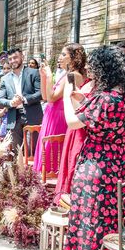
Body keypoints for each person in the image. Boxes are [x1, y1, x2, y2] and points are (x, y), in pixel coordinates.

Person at [62, 46, 125, 250]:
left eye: (93, 66)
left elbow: (73, 122)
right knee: (112, 220)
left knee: (88, 217)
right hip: (120, 162)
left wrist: (68, 97)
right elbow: (108, 119)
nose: (88, 70)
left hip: (96, 164)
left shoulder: (105, 98)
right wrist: (85, 101)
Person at [33, 44, 86, 174]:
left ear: (74, 58)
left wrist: (50, 76)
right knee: (46, 149)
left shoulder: (74, 75)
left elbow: (52, 98)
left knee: (52, 151)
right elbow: (45, 97)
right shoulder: (66, 74)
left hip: (59, 118)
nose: (59, 58)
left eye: (64, 54)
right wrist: (43, 77)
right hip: (50, 116)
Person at [0, 47, 42, 150]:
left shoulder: (33, 73)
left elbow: (41, 93)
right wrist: (11, 103)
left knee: (31, 151)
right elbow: (0, 99)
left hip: (32, 117)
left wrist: (24, 99)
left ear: (22, 56)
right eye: (11, 59)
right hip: (14, 118)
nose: (13, 61)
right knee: (17, 153)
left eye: (15, 57)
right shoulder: (5, 79)